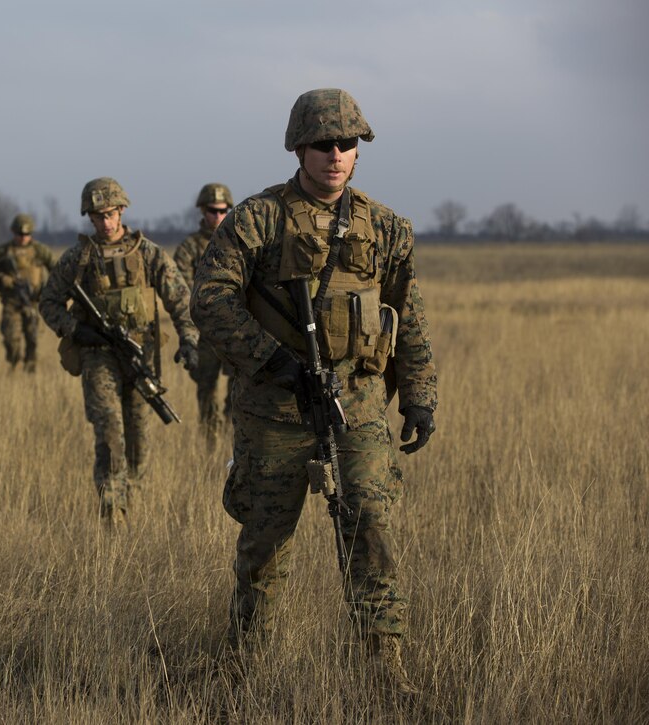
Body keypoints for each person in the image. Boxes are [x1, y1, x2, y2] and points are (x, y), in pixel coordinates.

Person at [190, 88, 437, 696]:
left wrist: (419, 396)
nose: (335, 154)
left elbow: (409, 315)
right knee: (265, 546)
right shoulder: (258, 218)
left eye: (346, 143)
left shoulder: (385, 227)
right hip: (275, 409)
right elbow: (211, 299)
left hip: (355, 404)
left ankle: (386, 673)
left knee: (371, 531)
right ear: (298, 147)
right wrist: (272, 361)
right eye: (323, 143)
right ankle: (243, 671)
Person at [39, 177, 200, 527]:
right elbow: (49, 302)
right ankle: (113, 515)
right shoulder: (78, 259)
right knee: (110, 434)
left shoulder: (147, 253)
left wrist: (189, 339)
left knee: (138, 440)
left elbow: (180, 300)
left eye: (110, 214)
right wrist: (75, 329)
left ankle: (133, 503)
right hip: (98, 357)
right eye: (97, 217)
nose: (105, 223)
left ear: (122, 210)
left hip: (141, 357)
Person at [173, 183, 236, 439]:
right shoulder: (189, 248)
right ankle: (209, 440)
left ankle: (233, 438)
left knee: (239, 388)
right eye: (212, 210)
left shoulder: (238, 242)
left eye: (223, 210)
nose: (218, 216)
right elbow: (179, 287)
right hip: (205, 333)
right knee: (206, 388)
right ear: (202, 210)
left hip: (235, 330)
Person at [0, 213, 55, 373]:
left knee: (33, 338)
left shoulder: (40, 250)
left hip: (34, 302)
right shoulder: (2, 251)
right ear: (13, 232)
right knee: (11, 337)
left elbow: (56, 271)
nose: (23, 238)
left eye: (26, 234)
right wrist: (3, 279)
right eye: (19, 234)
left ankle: (30, 368)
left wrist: (48, 290)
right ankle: (13, 363)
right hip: (12, 302)